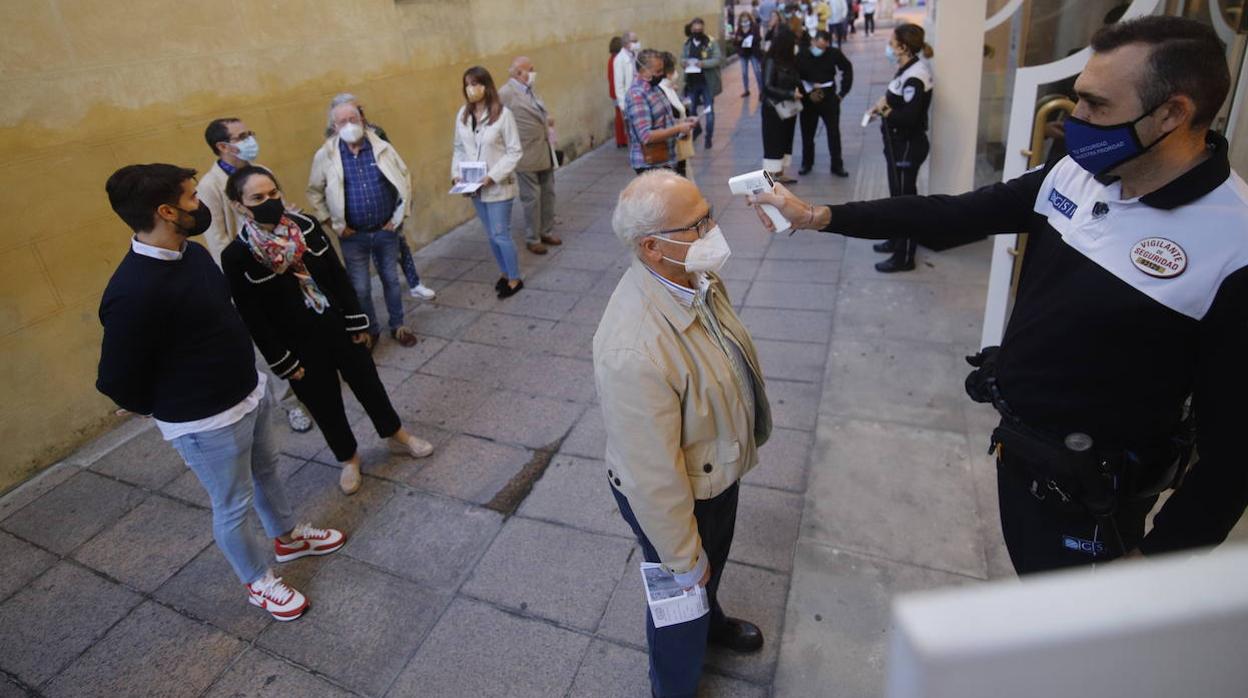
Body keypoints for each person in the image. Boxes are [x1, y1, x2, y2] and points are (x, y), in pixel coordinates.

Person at [749, 16, 1248, 575]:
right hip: (1023, 453)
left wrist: (1156, 566)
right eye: (1075, 99)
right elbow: (957, 213)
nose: (1075, 119)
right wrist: (818, 216)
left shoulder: (1233, 244)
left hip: (1095, 500)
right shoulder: (1075, 175)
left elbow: (1234, 451)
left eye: (1096, 105)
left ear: (1173, 113)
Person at [98, 163, 347, 622]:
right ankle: (258, 581)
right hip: (204, 422)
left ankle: (288, 538)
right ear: (167, 211)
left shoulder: (190, 254)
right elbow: (117, 381)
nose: (202, 205)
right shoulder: (131, 293)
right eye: (193, 198)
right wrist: (176, 406)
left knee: (268, 471)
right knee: (233, 504)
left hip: (247, 394)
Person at [594, 170, 772, 697]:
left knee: (711, 568)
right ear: (651, 246)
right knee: (680, 596)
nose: (713, 230)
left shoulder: (694, 277)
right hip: (679, 495)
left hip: (715, 472)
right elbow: (652, 475)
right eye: (697, 224)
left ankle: (710, 621)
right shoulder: (632, 348)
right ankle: (673, 685)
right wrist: (681, 555)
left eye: (708, 213)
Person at [221, 166, 435, 495]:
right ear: (239, 205)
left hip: (337, 326)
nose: (269, 202)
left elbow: (337, 275)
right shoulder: (237, 255)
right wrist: (283, 361)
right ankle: (348, 458)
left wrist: (356, 321)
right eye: (258, 198)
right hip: (298, 344)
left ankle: (395, 435)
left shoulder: (306, 227)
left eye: (273, 193)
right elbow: (253, 317)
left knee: (369, 384)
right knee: (323, 403)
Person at [197, 118, 314, 435]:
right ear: (223, 146)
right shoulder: (209, 186)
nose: (250, 139)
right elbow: (218, 240)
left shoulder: (260, 170)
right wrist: (248, 267)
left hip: (285, 261)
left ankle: (311, 380)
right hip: (253, 272)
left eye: (250, 133)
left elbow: (278, 210)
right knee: (270, 337)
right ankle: (291, 404)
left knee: (299, 321)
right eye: (242, 136)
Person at [307, 99, 420, 347]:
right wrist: (331, 222)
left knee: (391, 280)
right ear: (334, 127)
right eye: (343, 121)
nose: (349, 125)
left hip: (385, 230)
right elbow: (315, 192)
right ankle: (371, 329)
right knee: (360, 288)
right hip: (352, 236)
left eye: (353, 119)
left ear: (363, 120)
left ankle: (398, 325)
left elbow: (405, 179)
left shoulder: (382, 148)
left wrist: (398, 218)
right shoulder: (326, 155)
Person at [324, 94, 437, 302]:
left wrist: (399, 207)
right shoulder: (331, 141)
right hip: (358, 219)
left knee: (399, 244)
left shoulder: (376, 132)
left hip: (387, 203)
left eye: (358, 111)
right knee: (370, 261)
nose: (357, 116)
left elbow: (391, 161)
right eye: (346, 116)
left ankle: (414, 283)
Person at [453, 66, 526, 299]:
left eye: (475, 83)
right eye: (467, 84)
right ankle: (504, 273)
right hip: (474, 188)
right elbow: (458, 148)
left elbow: (514, 151)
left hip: (497, 186)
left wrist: (492, 176)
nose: (471, 89)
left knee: (500, 234)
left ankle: (515, 278)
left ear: (486, 86)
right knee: (490, 235)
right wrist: (456, 173)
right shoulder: (463, 115)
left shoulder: (503, 115)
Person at [867, 24, 934, 272]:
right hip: (897, 145)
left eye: (892, 42)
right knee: (898, 198)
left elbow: (909, 118)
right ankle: (896, 240)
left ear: (903, 47)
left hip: (907, 146)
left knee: (905, 203)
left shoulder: (915, 76)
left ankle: (904, 256)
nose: (889, 46)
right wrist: (880, 109)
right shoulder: (908, 68)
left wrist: (885, 110)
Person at [499, 56, 563, 256]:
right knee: (531, 198)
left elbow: (538, 113)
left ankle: (546, 230)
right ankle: (532, 238)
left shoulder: (529, 90)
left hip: (543, 150)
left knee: (548, 193)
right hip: (525, 153)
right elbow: (500, 123)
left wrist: (547, 120)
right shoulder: (506, 94)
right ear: (519, 72)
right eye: (530, 69)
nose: (533, 73)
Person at [625, 49, 697, 175]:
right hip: (650, 164)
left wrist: (684, 123)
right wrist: (678, 128)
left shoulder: (656, 88)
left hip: (666, 160)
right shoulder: (637, 95)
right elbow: (646, 136)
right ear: (643, 71)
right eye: (658, 71)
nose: (662, 74)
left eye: (662, 70)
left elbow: (665, 121)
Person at [797, 30, 853, 177]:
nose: (819, 50)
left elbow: (847, 68)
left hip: (828, 96)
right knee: (807, 132)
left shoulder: (834, 53)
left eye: (823, 47)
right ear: (813, 41)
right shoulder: (802, 55)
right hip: (809, 97)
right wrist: (803, 88)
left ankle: (837, 164)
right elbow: (795, 74)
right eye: (817, 45)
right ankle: (806, 162)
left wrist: (842, 93)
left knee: (833, 132)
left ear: (827, 44)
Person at [761, 26, 802, 184]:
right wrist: (790, 94)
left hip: (788, 108)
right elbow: (767, 86)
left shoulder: (790, 60)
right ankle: (770, 179)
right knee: (773, 142)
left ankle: (780, 174)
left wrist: (796, 88)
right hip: (774, 108)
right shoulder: (771, 61)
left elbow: (793, 79)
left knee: (785, 141)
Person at [682, 17, 723, 150]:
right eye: (695, 29)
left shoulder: (710, 42)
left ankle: (708, 138)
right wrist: (684, 63)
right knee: (692, 110)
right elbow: (681, 58)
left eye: (699, 29)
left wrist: (703, 64)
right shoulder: (687, 43)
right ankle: (697, 129)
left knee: (709, 111)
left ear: (703, 29)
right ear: (691, 29)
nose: (697, 31)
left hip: (707, 83)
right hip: (692, 82)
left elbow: (717, 59)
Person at [658, 51, 694, 177]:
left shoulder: (669, 87)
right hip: (671, 149)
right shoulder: (661, 90)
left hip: (679, 146)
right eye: (673, 69)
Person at [734, 12, 764, 98]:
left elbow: (759, 38)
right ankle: (746, 90)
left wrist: (751, 39)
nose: (744, 20)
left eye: (746, 18)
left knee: (757, 71)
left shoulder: (754, 26)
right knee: (744, 72)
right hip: (743, 53)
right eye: (742, 18)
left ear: (749, 18)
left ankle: (761, 91)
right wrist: (739, 40)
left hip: (753, 52)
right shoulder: (740, 28)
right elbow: (735, 41)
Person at [613, 31, 640, 122]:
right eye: (634, 41)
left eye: (637, 41)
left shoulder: (636, 54)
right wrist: (623, 106)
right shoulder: (619, 59)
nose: (637, 43)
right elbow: (619, 85)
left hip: (639, 94)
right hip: (629, 99)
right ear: (626, 43)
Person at [608, 37, 630, 148]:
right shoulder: (618, 59)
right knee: (622, 117)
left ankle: (620, 139)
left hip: (613, 92)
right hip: (618, 92)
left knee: (618, 116)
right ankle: (622, 139)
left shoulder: (611, 59)